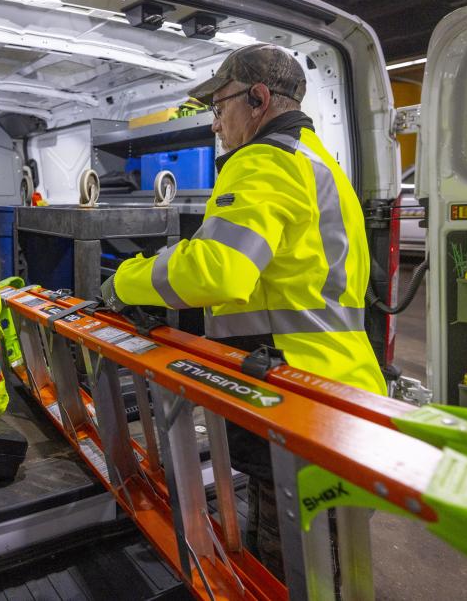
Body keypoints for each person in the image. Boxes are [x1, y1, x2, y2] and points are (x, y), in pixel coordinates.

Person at [100, 43, 386, 577]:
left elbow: (218, 269)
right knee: (329, 557)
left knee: (290, 570)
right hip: (340, 386)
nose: (215, 124)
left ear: (257, 99)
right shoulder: (319, 161)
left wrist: (126, 279)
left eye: (220, 106)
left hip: (292, 396)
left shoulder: (265, 159)